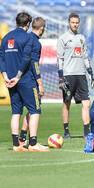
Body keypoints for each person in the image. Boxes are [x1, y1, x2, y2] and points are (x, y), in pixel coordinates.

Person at [0, 12, 48, 152]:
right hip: (25, 80)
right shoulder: (28, 38)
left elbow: (1, 59)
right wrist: (19, 77)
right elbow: (28, 59)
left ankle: (16, 145)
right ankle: (33, 143)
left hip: (9, 81)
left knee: (16, 112)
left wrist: (6, 77)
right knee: (35, 110)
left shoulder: (6, 38)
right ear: (27, 24)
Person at [57, 13, 94, 139]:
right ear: (69, 22)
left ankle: (86, 131)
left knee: (86, 103)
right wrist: (61, 77)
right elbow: (60, 58)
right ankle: (66, 131)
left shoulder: (81, 38)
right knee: (66, 103)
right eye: (73, 22)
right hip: (68, 75)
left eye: (77, 22)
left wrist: (90, 72)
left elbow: (85, 56)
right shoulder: (63, 38)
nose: (75, 24)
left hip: (81, 75)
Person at [18, 17, 46, 146]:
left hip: (19, 79)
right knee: (35, 109)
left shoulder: (25, 38)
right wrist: (40, 83)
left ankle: (22, 139)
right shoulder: (35, 42)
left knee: (30, 109)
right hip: (30, 80)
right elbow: (34, 64)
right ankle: (33, 142)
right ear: (42, 28)